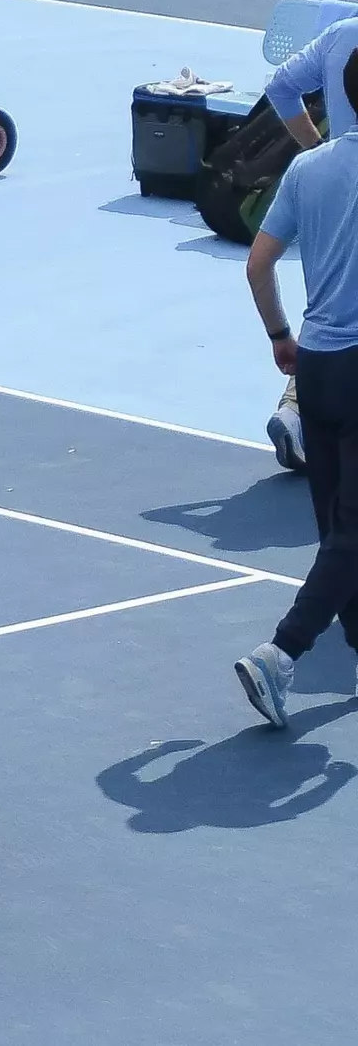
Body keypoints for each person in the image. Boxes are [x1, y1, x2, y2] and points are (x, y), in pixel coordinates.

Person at [235, 49, 358, 727]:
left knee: (339, 530)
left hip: (316, 365)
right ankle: (281, 655)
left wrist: (281, 336)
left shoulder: (309, 166)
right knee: (352, 533)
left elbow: (258, 265)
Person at [261, 14, 358, 473]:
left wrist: (317, 151)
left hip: (329, 191)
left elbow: (280, 87)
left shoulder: (341, 35)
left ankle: (296, 412)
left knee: (328, 309)